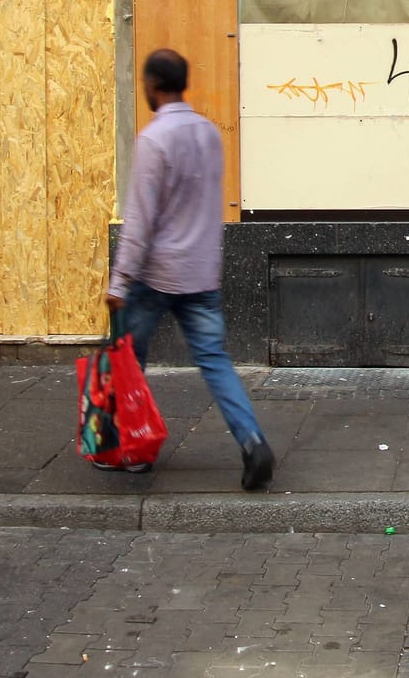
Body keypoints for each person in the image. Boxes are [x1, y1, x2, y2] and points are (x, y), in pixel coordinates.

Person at [107, 49, 274, 491]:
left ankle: (135, 452)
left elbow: (141, 219)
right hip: (200, 272)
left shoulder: (153, 140)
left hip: (155, 274)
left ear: (153, 85)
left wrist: (120, 280)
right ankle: (253, 442)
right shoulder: (208, 134)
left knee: (131, 361)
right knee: (216, 361)